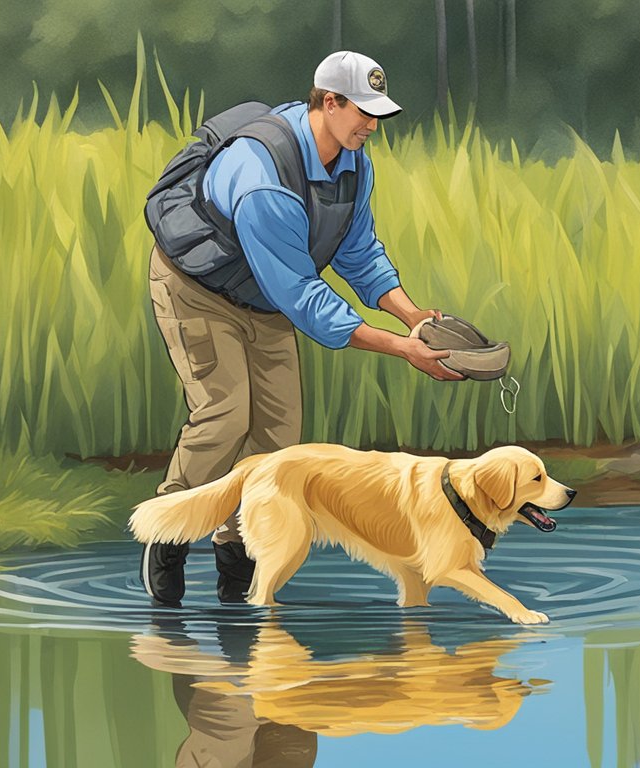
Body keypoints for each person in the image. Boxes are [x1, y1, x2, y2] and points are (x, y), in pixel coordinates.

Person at [142, 51, 463, 608]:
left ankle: (238, 554)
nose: (372, 125)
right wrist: (400, 348)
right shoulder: (262, 173)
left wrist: (412, 315)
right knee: (224, 412)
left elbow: (358, 252)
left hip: (265, 300)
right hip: (197, 291)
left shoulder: (354, 163)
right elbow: (304, 298)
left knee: (279, 433)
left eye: (377, 113)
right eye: (362, 111)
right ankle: (166, 533)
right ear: (328, 101)